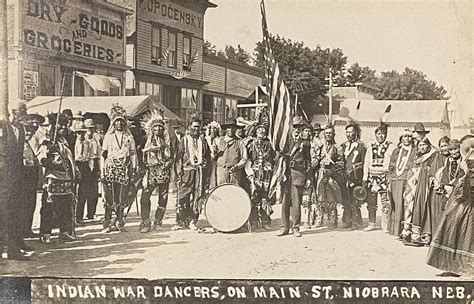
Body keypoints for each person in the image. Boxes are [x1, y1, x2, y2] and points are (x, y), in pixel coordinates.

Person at [426, 138, 473, 277]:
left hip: (469, 199)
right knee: (452, 224)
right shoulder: (465, 160)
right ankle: (452, 264)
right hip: (464, 199)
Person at [38, 113, 79, 244]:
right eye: (60, 124)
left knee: (65, 206)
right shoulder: (46, 139)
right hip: (53, 177)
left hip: (66, 178)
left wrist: (74, 170)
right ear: (53, 125)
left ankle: (64, 232)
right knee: (49, 206)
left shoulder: (63, 139)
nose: (63, 127)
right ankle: (45, 233)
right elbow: (42, 159)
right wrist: (56, 165)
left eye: (64, 124)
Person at [101, 104, 137, 233]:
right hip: (110, 167)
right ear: (113, 124)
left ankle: (120, 222)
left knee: (122, 196)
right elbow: (103, 155)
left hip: (125, 168)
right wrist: (102, 171)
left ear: (125, 124)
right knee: (109, 195)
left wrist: (133, 170)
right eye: (117, 122)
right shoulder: (108, 137)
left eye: (122, 122)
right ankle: (108, 223)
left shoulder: (129, 137)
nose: (119, 124)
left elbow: (133, 154)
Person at [0, 110, 28, 260]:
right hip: (3, 178)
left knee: (15, 212)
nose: (19, 116)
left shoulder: (21, 129)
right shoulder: (3, 126)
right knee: (4, 213)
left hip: (16, 178)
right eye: (16, 113)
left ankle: (14, 248)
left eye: (22, 113)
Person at [277, 117, 313, 237]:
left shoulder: (305, 143)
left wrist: (308, 177)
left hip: (298, 174)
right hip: (286, 174)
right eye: (295, 127)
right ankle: (284, 227)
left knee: (296, 202)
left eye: (300, 127)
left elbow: (308, 161)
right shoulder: (286, 142)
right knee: (285, 201)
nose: (297, 129)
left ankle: (296, 227)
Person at [174, 116, 211, 231]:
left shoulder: (203, 140)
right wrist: (178, 171)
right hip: (186, 172)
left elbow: (208, 157)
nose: (196, 129)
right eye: (194, 126)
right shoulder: (184, 140)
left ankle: (193, 220)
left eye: (198, 127)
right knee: (183, 195)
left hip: (199, 172)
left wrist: (207, 173)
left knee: (197, 196)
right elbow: (178, 157)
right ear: (189, 126)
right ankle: (181, 220)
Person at [139, 110, 172, 233]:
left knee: (163, 197)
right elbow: (139, 155)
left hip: (163, 171)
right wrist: (143, 168)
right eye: (155, 127)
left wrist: (168, 163)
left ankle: (158, 221)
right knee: (145, 197)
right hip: (150, 171)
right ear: (151, 129)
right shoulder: (144, 140)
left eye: (160, 127)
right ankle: (145, 222)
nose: (157, 129)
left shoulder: (167, 141)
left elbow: (171, 155)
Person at [401, 138, 438, 246]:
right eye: (419, 145)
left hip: (422, 186)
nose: (421, 147)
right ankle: (407, 233)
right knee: (409, 207)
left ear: (428, 145)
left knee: (419, 208)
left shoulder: (432, 156)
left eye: (424, 145)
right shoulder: (416, 157)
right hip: (412, 186)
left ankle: (417, 235)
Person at [363, 122, 395, 232]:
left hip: (384, 176)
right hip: (372, 176)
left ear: (386, 134)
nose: (381, 136)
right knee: (371, 201)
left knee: (385, 201)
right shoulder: (370, 146)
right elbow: (366, 162)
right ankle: (371, 223)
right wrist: (365, 177)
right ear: (375, 134)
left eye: (383, 133)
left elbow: (392, 162)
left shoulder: (391, 146)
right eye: (379, 133)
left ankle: (385, 224)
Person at [245, 120, 275, 230]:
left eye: (263, 129)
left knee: (265, 197)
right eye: (259, 129)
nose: (261, 131)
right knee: (254, 198)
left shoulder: (269, 145)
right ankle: (253, 221)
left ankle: (265, 221)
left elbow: (273, 159)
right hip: (254, 174)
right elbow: (248, 159)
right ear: (255, 131)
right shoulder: (251, 144)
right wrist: (250, 174)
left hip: (267, 174)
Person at [20, 114, 44, 246]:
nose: (30, 132)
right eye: (28, 129)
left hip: (32, 174)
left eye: (33, 130)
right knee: (23, 203)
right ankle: (23, 229)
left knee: (31, 203)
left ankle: (27, 228)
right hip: (23, 175)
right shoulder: (20, 144)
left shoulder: (32, 142)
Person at [314, 124, 343, 230]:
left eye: (330, 133)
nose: (328, 135)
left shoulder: (338, 147)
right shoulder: (320, 146)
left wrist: (333, 171)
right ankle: (319, 219)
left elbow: (341, 162)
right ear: (324, 134)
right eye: (326, 133)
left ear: (334, 134)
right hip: (321, 173)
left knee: (331, 198)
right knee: (320, 198)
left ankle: (332, 221)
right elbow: (315, 159)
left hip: (332, 174)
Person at [387, 129, 416, 237]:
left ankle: (405, 230)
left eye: (409, 136)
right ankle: (395, 230)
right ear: (401, 139)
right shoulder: (396, 151)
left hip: (406, 181)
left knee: (405, 205)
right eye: (404, 136)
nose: (407, 139)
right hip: (395, 181)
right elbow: (391, 166)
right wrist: (389, 177)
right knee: (395, 204)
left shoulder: (414, 150)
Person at [340, 122, 366, 230]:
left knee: (355, 199)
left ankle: (357, 221)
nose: (349, 134)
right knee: (345, 198)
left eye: (351, 132)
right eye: (347, 132)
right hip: (344, 176)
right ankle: (347, 220)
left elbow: (364, 162)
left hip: (355, 176)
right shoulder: (343, 145)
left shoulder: (361, 146)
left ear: (356, 132)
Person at [214, 119, 248, 186]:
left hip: (235, 172)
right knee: (221, 191)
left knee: (234, 191)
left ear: (235, 129)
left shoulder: (240, 142)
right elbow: (213, 156)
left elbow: (244, 158)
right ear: (226, 129)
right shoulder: (218, 140)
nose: (231, 130)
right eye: (229, 128)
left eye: (233, 128)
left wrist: (237, 166)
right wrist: (214, 153)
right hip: (221, 171)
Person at [74, 122, 91, 224]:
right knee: (75, 192)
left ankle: (80, 216)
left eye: (83, 133)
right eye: (79, 133)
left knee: (83, 192)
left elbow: (90, 156)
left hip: (85, 166)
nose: (81, 135)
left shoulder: (87, 143)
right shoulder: (73, 142)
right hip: (76, 165)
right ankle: (74, 217)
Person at [84, 118, 101, 220]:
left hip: (94, 164)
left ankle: (91, 213)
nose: (90, 130)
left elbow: (99, 153)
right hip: (85, 164)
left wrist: (99, 167)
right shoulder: (82, 139)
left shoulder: (96, 139)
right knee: (83, 191)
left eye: (92, 128)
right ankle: (79, 215)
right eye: (88, 128)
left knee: (94, 191)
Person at [205, 121, 221, 188]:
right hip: (208, 160)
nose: (213, 130)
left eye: (215, 128)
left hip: (216, 161)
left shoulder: (219, 139)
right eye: (212, 128)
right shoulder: (206, 138)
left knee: (214, 175)